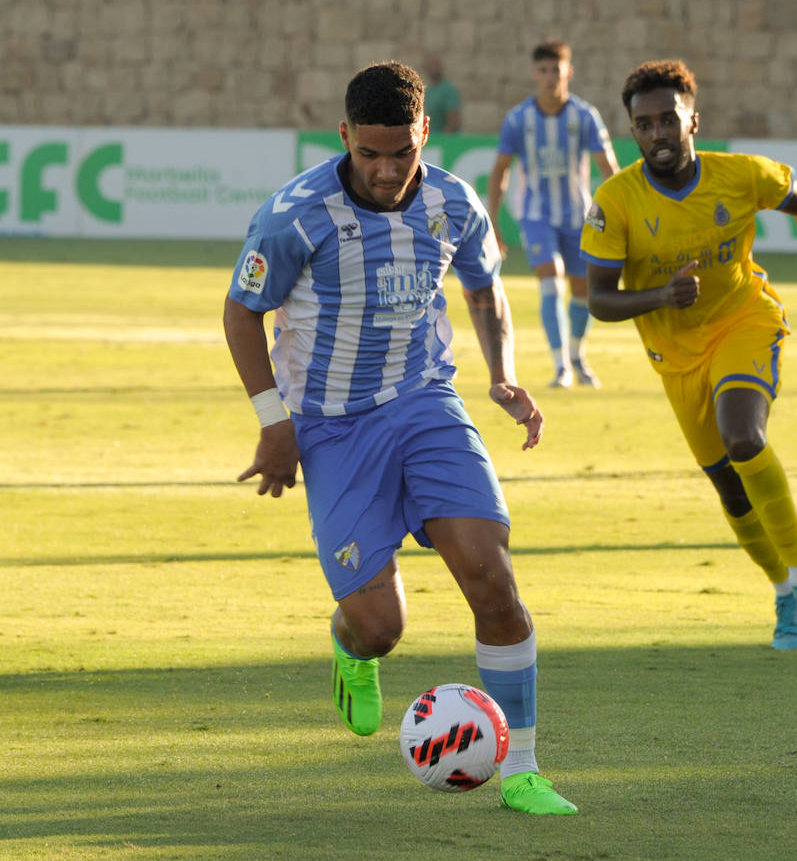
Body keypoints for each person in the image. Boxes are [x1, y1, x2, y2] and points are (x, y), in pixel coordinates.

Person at [224, 61, 577, 815]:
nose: (386, 171)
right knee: (382, 629)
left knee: (492, 576)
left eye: (402, 153)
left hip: (426, 405)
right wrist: (273, 421)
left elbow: (484, 285)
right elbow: (240, 311)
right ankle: (352, 647)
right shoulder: (295, 215)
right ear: (345, 137)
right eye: (369, 154)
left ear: (425, 133)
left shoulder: (454, 202)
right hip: (331, 427)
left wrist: (504, 375)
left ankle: (524, 769)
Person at [581, 59, 797, 650]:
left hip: (743, 321)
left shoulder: (740, 176)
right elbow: (598, 300)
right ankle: (782, 594)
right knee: (730, 488)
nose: (658, 135)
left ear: (692, 120)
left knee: (743, 437)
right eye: (644, 125)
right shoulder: (615, 200)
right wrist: (660, 296)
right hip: (675, 357)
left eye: (668, 120)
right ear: (633, 132)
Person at [487, 40, 619, 389]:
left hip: (577, 215)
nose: (550, 77)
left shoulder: (585, 116)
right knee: (551, 277)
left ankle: (576, 355)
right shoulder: (519, 119)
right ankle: (560, 366)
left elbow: (609, 169)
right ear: (535, 73)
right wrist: (495, 222)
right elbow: (500, 171)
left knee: (582, 291)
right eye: (543, 71)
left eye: (556, 70)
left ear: (568, 72)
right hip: (535, 214)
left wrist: (618, 215)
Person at [422, 53, 462, 134]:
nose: (433, 68)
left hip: (446, 140)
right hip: (432, 138)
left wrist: (444, 139)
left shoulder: (448, 90)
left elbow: (454, 119)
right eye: (430, 65)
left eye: (435, 65)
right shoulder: (428, 90)